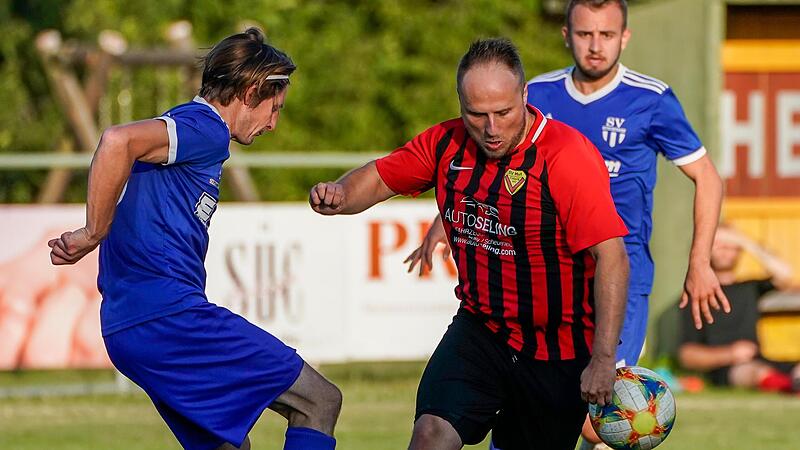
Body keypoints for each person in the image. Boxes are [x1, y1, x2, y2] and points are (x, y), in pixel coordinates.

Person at [405, 2, 728, 447]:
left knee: (607, 412)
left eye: (607, 35)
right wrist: (447, 220)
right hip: (539, 282)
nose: (595, 46)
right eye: (585, 34)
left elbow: (707, 176)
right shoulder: (536, 93)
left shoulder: (650, 99)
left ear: (625, 38)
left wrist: (700, 263)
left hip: (615, 278)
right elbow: (490, 162)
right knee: (543, 411)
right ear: (565, 34)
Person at [310, 37, 630, 450]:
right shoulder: (446, 144)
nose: (491, 128)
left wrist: (603, 358)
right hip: (482, 330)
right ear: (461, 104)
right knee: (430, 435)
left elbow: (613, 258)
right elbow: (378, 177)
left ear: (525, 96)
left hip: (558, 348)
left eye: (503, 112)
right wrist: (339, 194)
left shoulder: (566, 156)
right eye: (477, 114)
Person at [48, 29, 341, 450]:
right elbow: (116, 140)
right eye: (274, 108)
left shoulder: (183, 127)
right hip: (169, 317)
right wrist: (94, 231)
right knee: (319, 401)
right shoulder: (206, 128)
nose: (273, 124)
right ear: (250, 90)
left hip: (127, 327)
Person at [678, 224, 800, 393]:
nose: (725, 249)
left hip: (760, 359)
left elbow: (785, 275)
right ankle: (788, 387)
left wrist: (745, 241)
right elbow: (687, 356)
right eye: (718, 244)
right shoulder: (696, 295)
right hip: (726, 369)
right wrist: (730, 354)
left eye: (731, 245)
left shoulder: (749, 288)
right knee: (754, 372)